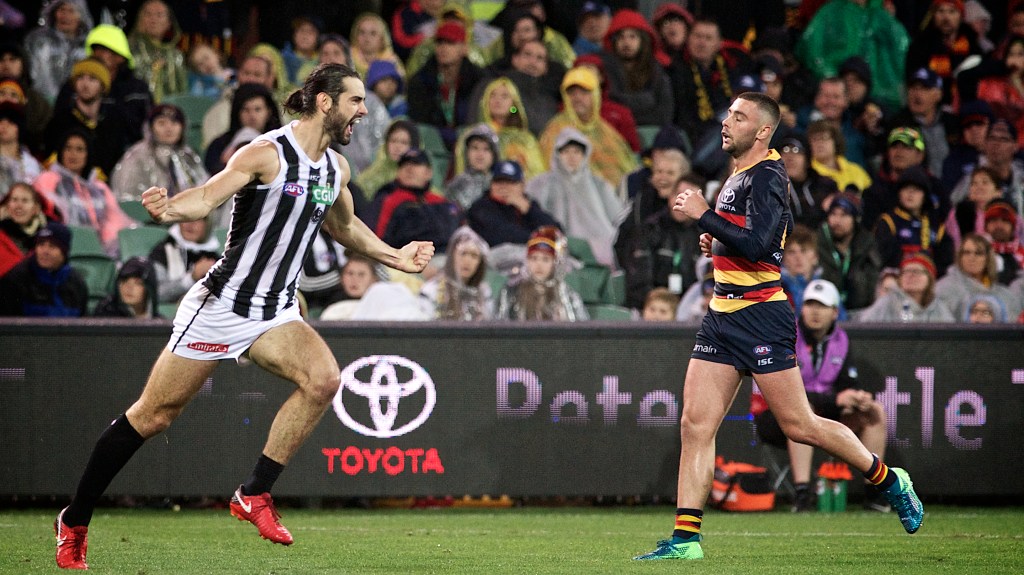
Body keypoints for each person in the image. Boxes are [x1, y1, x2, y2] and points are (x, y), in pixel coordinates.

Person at [52, 63, 435, 570]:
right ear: (326, 102)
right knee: (154, 415)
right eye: (355, 101)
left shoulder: (334, 170)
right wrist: (169, 210)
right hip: (222, 306)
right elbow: (208, 197)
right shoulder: (265, 153)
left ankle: (254, 493)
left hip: (275, 309)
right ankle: (74, 520)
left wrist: (394, 257)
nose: (363, 111)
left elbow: (345, 227)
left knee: (324, 381)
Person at [634, 92, 922, 561]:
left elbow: (765, 243)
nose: (727, 122)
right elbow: (748, 241)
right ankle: (686, 541)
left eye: (739, 116)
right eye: (728, 113)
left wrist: (704, 215)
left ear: (762, 131)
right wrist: (717, 239)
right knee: (695, 424)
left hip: (759, 315)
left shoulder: (767, 173)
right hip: (722, 314)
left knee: (799, 424)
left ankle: (888, 478)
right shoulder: (742, 173)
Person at [752, 279, 891, 512]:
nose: (815, 311)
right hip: (776, 415)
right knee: (805, 411)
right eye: (810, 304)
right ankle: (802, 494)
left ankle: (875, 492)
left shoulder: (840, 340)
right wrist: (835, 400)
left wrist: (857, 397)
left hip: (822, 414)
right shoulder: (785, 337)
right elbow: (784, 392)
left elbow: (848, 382)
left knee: (874, 412)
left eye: (822, 306)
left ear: (835, 312)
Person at [526, 127, 624, 267]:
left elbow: (618, 217)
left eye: (577, 152)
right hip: (558, 246)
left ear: (584, 155)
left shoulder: (599, 185)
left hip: (601, 246)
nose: (572, 157)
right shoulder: (541, 184)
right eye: (566, 152)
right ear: (557, 154)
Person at [34, 127, 134, 258]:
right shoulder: (48, 179)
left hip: (100, 251)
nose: (73, 154)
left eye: (79, 149)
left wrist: (105, 247)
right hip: (59, 247)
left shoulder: (99, 187)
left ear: (88, 154)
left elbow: (114, 221)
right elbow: (46, 215)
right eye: (68, 148)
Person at [111, 103, 209, 202]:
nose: (169, 129)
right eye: (161, 123)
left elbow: (205, 190)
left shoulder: (188, 155)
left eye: (174, 123)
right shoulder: (136, 157)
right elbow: (128, 198)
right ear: (150, 128)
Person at [495, 225, 588, 321]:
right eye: (534, 258)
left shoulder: (566, 294)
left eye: (545, 259)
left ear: (555, 263)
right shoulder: (511, 292)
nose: (539, 265)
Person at [0, 220, 88, 317]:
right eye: (41, 245)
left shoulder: (77, 284)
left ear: (64, 252)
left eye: (52, 246)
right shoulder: (15, 281)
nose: (45, 251)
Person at [466, 159, 560, 247]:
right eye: (499, 182)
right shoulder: (480, 207)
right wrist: (542, 239)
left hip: (535, 257)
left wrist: (530, 210)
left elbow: (557, 233)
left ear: (522, 185)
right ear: (491, 184)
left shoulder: (527, 204)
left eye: (510, 182)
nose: (504, 187)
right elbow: (505, 235)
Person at [816, 191, 883, 314]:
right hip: (824, 309)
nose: (837, 220)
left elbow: (872, 282)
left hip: (860, 312)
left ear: (856, 219)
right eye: (833, 214)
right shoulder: (818, 242)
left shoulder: (867, 244)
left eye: (844, 215)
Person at [934, 233, 1021, 320]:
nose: (972, 258)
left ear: (988, 258)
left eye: (978, 253)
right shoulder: (944, 289)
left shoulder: (1005, 295)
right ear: (960, 257)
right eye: (967, 253)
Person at [857, 251, 956, 323]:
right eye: (906, 272)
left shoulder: (939, 308)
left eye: (916, 271)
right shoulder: (886, 303)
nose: (910, 275)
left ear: (930, 279)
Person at [419, 225, 493, 320]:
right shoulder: (431, 290)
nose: (467, 261)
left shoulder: (485, 293)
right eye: (463, 253)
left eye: (474, 256)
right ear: (452, 257)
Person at [148, 215, 221, 304]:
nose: (189, 225)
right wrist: (191, 278)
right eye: (185, 219)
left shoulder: (216, 260)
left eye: (197, 219)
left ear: (208, 224)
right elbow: (155, 293)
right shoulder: (162, 252)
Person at [127, 0, 188, 103]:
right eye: (148, 14)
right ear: (139, 20)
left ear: (169, 23)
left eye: (159, 15)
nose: (153, 20)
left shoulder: (176, 56)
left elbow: (183, 92)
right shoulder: (128, 50)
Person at [0, 181, 53, 276]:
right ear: (7, 205)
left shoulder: (49, 238)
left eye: (25, 201)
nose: (18, 206)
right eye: (14, 200)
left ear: (36, 208)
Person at [446, 123, 498, 211]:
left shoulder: (500, 184)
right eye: (475, 148)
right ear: (467, 153)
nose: (480, 154)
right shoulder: (456, 185)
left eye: (486, 149)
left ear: (494, 155)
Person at [93, 255, 161, 318]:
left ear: (149, 289)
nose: (129, 288)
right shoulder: (105, 315)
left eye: (138, 283)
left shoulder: (160, 322)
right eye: (124, 281)